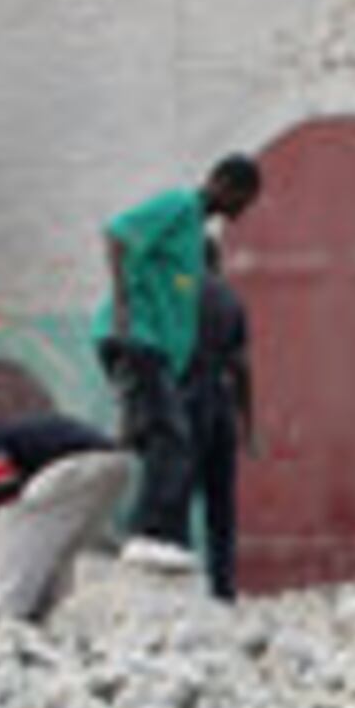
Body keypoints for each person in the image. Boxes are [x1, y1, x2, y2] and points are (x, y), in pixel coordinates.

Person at [100, 154, 263, 555]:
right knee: (174, 440)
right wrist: (123, 311)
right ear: (226, 185)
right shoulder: (179, 204)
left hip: (158, 352)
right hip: (137, 338)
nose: (243, 213)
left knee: (166, 441)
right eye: (245, 200)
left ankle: (160, 539)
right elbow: (117, 234)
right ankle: (147, 537)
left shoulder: (193, 234)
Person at [0, 409, 137, 625]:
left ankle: (6, 612)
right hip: (113, 465)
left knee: (15, 516)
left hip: (82, 463)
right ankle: (55, 611)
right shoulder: (6, 443)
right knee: (62, 549)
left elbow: (3, 487)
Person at [185, 235, 255, 600]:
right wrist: (249, 424)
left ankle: (174, 586)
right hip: (222, 403)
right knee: (220, 503)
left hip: (184, 400)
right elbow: (242, 365)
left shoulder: (178, 295)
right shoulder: (230, 298)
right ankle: (223, 589)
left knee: (176, 495)